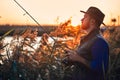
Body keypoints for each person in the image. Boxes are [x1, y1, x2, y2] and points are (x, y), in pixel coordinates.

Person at [66, 6, 109, 80]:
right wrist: (72, 57)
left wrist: (78, 58)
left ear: (92, 21)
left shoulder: (99, 42)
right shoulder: (86, 39)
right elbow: (84, 61)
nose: (81, 19)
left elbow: (101, 68)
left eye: (85, 17)